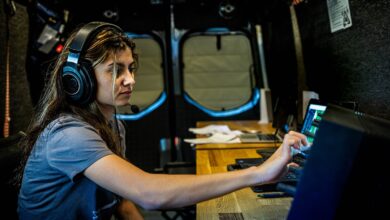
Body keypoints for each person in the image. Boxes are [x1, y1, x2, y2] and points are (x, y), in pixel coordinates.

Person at [16, 22, 309, 220]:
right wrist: (259, 173)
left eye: (131, 68)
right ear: (77, 81)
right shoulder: (68, 135)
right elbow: (147, 193)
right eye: (115, 70)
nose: (130, 80)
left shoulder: (112, 125)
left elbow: (122, 201)